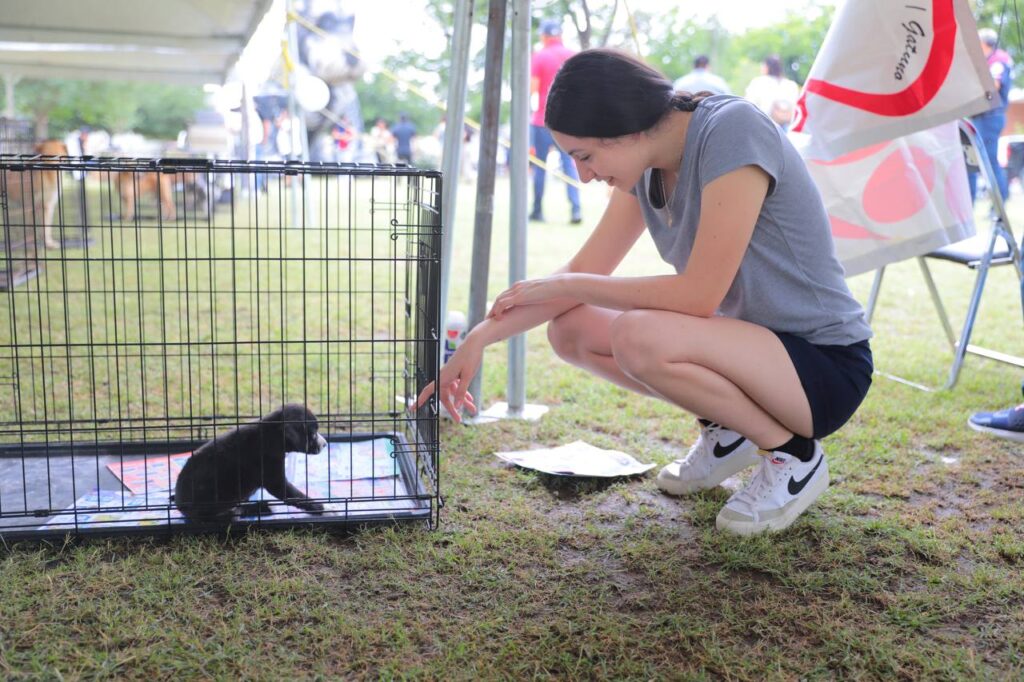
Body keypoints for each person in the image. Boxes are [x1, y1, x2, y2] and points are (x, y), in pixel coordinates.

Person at [416, 49, 873, 536]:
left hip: (822, 365)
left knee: (638, 334)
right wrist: (481, 337)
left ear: (629, 128)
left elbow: (698, 294)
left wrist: (569, 283)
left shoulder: (731, 128)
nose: (583, 175)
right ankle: (728, 432)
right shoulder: (648, 166)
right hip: (749, 353)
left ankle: (794, 456)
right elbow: (584, 270)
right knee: (571, 329)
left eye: (585, 156)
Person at [530, 18, 582, 224]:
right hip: (568, 122)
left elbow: (533, 88)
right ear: (560, 35)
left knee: (539, 166)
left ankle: (537, 210)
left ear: (543, 35)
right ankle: (576, 209)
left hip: (542, 120)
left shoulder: (539, 56)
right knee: (570, 165)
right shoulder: (571, 55)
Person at [969, 28, 1014, 203]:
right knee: (980, 160)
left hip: (989, 116)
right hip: (984, 116)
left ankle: (1000, 200)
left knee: (989, 161)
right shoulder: (991, 59)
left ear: (983, 43)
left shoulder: (997, 59)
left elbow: (993, 85)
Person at [744, 55, 800, 129]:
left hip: (764, 126)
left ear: (767, 67)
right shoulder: (791, 85)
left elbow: (749, 105)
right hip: (786, 128)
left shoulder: (759, 82)